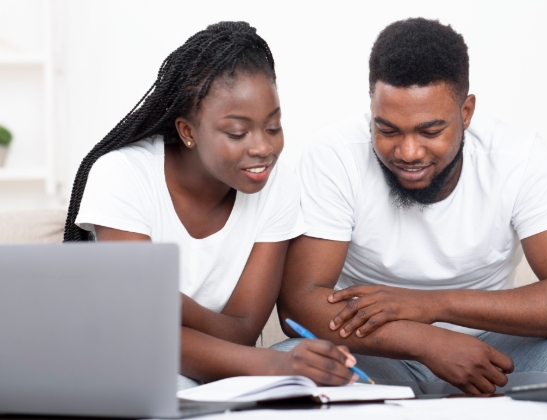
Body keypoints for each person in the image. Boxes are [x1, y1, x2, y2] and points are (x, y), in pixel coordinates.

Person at [275, 17, 547, 394]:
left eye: (430, 131)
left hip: (496, 350)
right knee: (293, 363)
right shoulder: (335, 154)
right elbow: (298, 304)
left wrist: (433, 305)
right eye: (387, 130)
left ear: (466, 112)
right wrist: (428, 342)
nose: (408, 152)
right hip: (380, 350)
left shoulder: (518, 157)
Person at [64, 21, 358, 389]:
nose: (262, 148)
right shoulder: (123, 176)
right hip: (120, 367)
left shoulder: (277, 185)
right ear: (188, 131)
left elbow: (243, 330)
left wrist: (172, 306)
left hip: (222, 371)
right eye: (237, 133)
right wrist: (274, 365)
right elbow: (138, 334)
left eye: (273, 127)